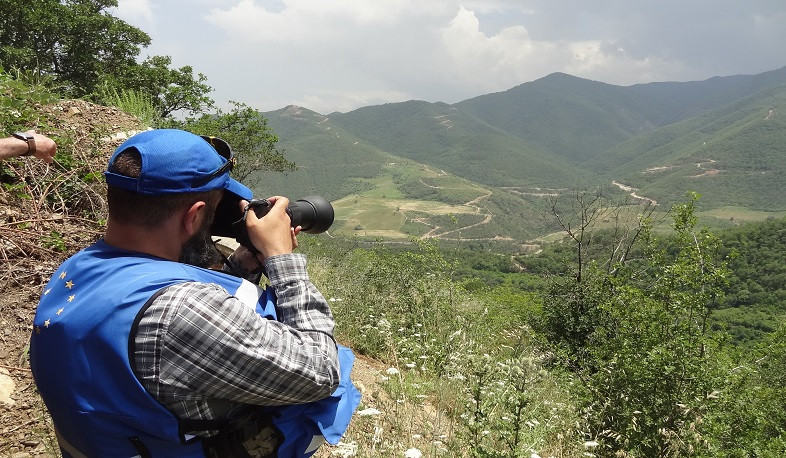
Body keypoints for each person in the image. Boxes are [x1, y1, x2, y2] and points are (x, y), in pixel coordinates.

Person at [29, 129, 359, 457]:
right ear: (194, 216)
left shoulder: (76, 269)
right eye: (212, 215)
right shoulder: (180, 310)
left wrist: (241, 265)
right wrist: (280, 258)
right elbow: (321, 372)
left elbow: (162, 337)